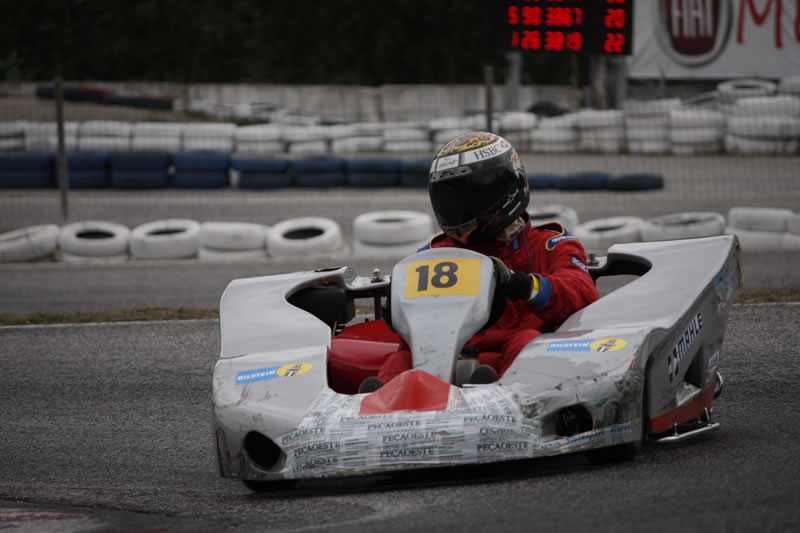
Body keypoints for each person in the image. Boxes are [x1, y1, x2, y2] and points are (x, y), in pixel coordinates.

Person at [359, 131, 599, 393]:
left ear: (505, 191)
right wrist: (400, 315)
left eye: (465, 199)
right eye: (449, 200)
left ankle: (502, 400)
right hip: (446, 358)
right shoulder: (434, 254)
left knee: (527, 341)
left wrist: (523, 285)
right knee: (400, 359)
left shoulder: (550, 245)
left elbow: (582, 293)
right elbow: (414, 341)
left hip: (518, 363)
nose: (456, 209)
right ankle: (378, 407)